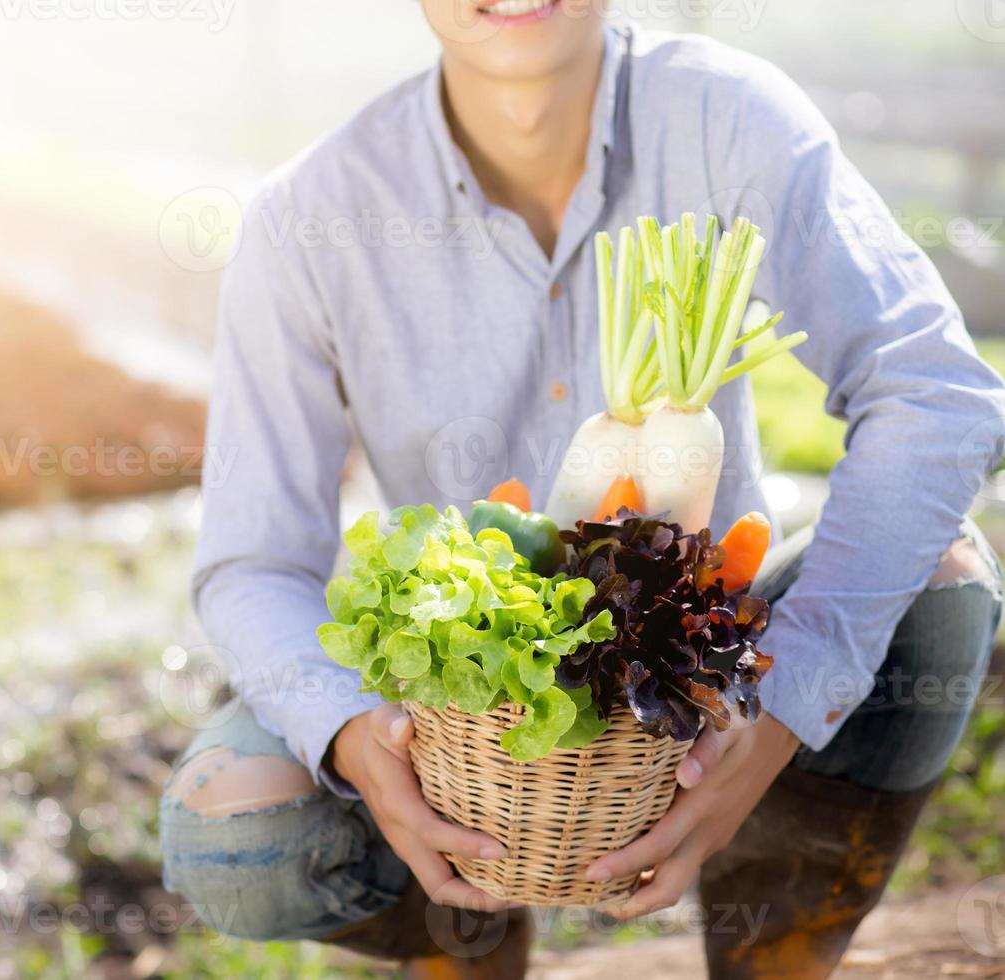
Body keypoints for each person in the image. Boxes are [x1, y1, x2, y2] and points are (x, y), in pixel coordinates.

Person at [159, 2, 1005, 976]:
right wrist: (355, 735)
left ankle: (776, 952)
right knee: (234, 831)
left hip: (709, 691)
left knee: (943, 577)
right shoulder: (308, 215)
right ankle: (467, 940)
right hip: (456, 713)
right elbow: (252, 562)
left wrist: (786, 705)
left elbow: (936, 394)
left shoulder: (727, 118)